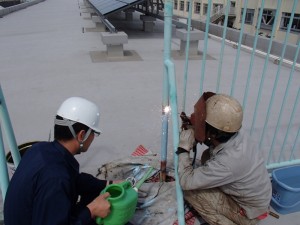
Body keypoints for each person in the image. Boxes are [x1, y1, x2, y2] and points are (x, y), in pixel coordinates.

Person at [4, 97, 118, 225]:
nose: (93, 138)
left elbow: (74, 179)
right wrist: (91, 210)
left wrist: (109, 184)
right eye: (93, 133)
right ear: (81, 135)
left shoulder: (40, 149)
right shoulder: (56, 177)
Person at [176, 93, 272, 225]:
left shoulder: (228, 161)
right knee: (206, 155)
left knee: (191, 191)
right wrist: (197, 127)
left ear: (213, 133)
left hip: (248, 212)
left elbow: (186, 181)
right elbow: (214, 140)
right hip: (259, 198)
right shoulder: (236, 132)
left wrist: (183, 149)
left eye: (202, 124)